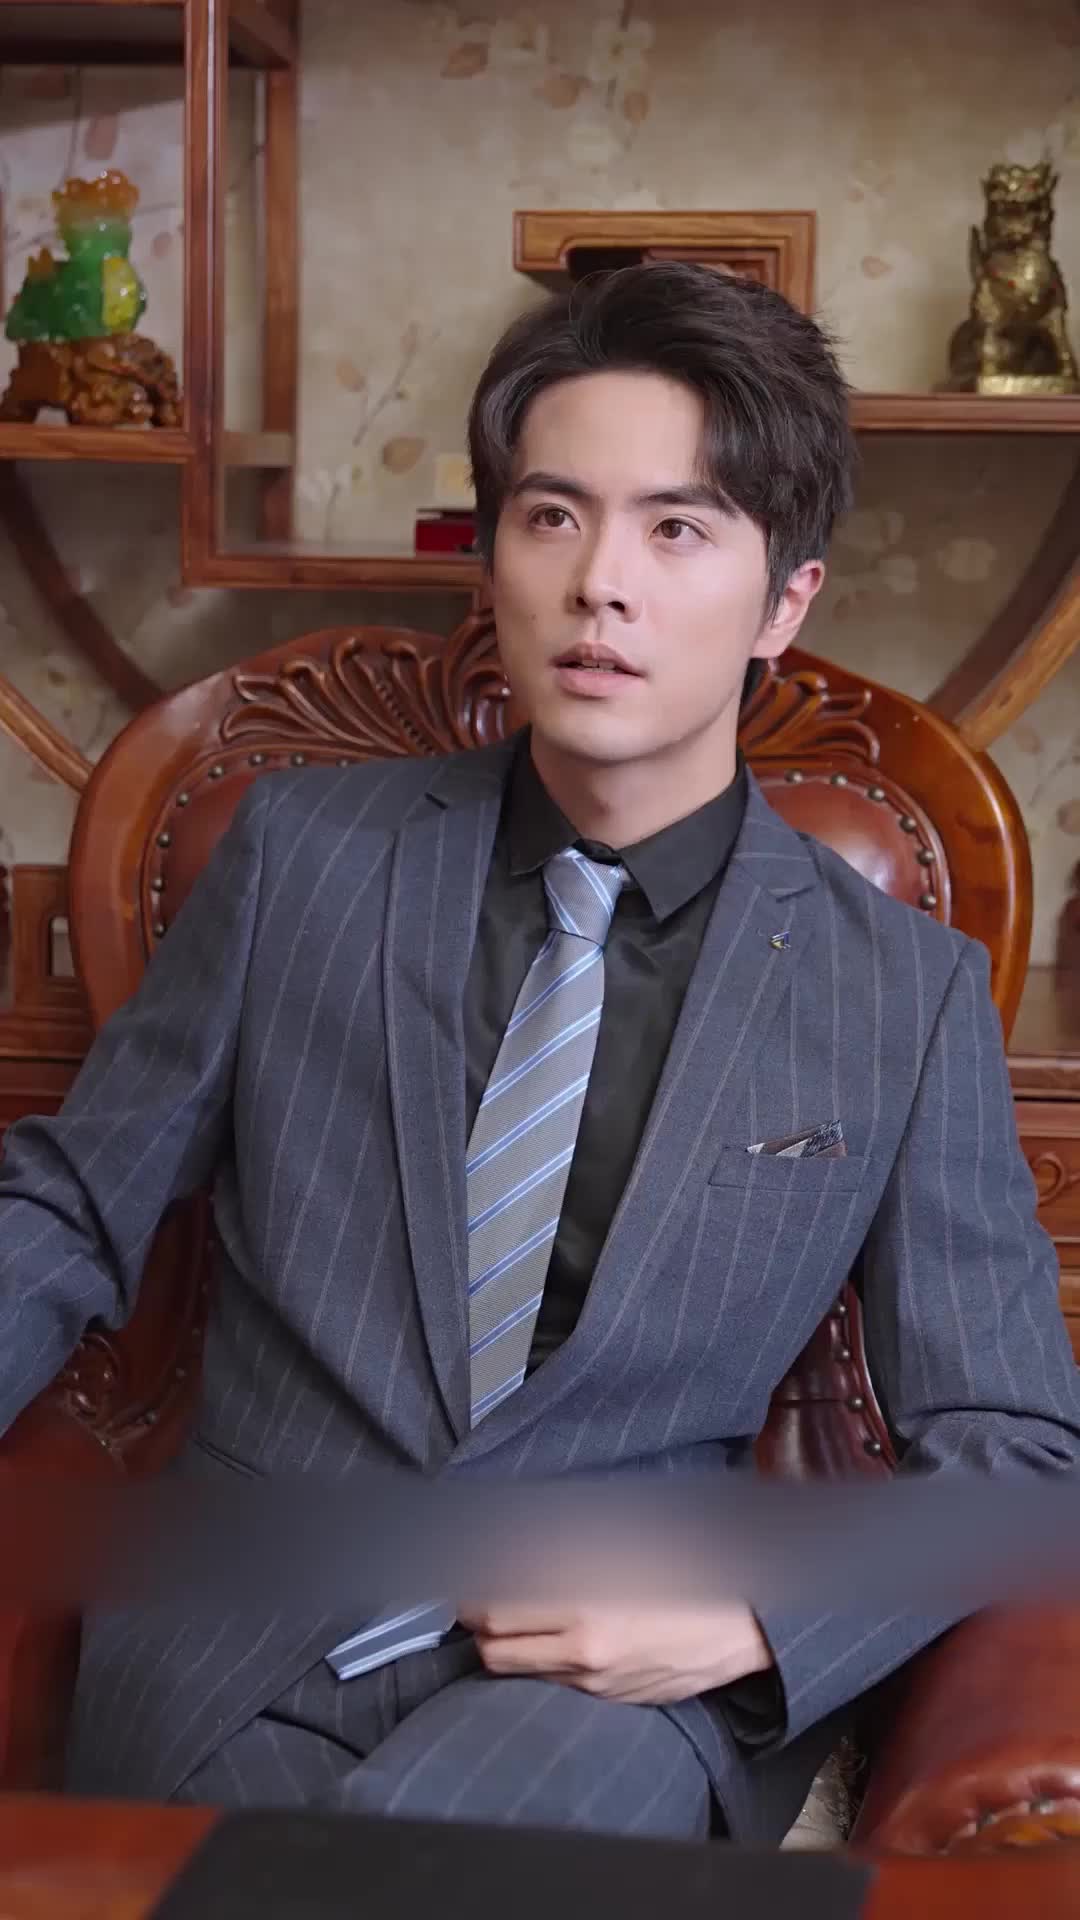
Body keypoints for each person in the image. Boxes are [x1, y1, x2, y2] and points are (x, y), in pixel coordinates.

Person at [1, 262, 1078, 1845]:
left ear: (786, 599)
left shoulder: (898, 994)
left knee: (446, 1850)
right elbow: (70, 1210)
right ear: (493, 553)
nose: (600, 586)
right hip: (240, 1641)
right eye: (552, 516)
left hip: (605, 1685)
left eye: (678, 530)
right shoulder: (300, 860)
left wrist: (751, 1615)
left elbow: (1020, 1447)